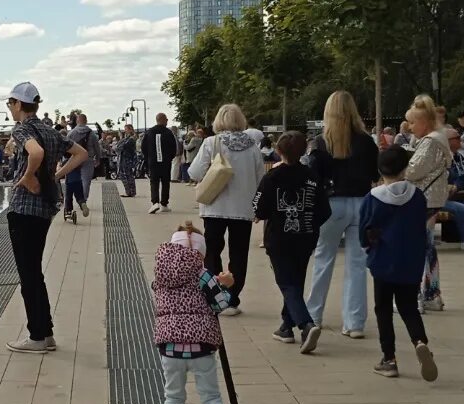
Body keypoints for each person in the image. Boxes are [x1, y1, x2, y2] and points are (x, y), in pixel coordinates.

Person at [150, 224, 240, 404]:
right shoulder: (203, 275)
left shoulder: (161, 277)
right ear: (199, 253)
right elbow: (221, 304)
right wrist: (225, 284)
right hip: (201, 346)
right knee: (211, 397)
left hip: (169, 346)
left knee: (173, 397)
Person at [5, 82, 88, 353]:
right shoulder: (50, 131)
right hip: (44, 209)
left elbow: (36, 153)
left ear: (18, 104)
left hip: (23, 209)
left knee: (28, 274)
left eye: (10, 103)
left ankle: (37, 336)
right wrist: (55, 176)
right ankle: (46, 332)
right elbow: (81, 154)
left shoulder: (22, 129)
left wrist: (28, 177)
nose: (9, 108)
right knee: (35, 271)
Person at [305, 90, 379, 337]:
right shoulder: (367, 141)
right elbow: (374, 174)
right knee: (357, 265)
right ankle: (354, 322)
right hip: (361, 203)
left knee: (323, 260)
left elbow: (312, 176)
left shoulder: (321, 142)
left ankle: (314, 316)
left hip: (331, 205)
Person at [361, 145, 438, 382]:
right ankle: (420, 341)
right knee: (408, 307)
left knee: (383, 310)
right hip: (411, 262)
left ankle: (389, 359)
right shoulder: (417, 196)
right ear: (405, 167)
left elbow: (364, 232)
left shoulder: (372, 198)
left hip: (383, 261)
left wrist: (368, 245)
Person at [253, 131, 328, 353]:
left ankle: (306, 324)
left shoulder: (272, 178)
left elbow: (258, 207)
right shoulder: (312, 177)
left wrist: (261, 214)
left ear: (278, 151)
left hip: (279, 238)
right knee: (295, 280)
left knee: (286, 282)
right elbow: (324, 209)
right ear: (305, 150)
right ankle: (287, 325)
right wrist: (311, 224)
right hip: (305, 237)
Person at [186, 105, 264, 314]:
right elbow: (260, 180)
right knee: (239, 254)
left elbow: (194, 172)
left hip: (214, 206)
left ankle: (215, 296)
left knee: (212, 252)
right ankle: (233, 297)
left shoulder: (212, 143)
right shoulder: (253, 147)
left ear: (219, 121)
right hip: (243, 209)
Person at [402, 98, 452, 311]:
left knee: (416, 249)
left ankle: (416, 296)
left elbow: (413, 170)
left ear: (424, 122)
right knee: (427, 248)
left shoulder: (430, 142)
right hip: (433, 198)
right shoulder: (440, 138)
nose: (409, 127)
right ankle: (432, 293)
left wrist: (401, 161)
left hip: (423, 199)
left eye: (412, 123)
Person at [141, 114, 179, 213]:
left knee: (154, 182)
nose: (167, 121)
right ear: (163, 120)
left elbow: (143, 147)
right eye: (166, 120)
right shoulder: (168, 132)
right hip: (165, 162)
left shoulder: (149, 132)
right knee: (165, 182)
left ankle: (155, 203)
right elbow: (173, 148)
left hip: (153, 162)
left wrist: (148, 158)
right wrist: (170, 157)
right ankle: (164, 204)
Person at [116, 123, 138, 197]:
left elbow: (119, 147)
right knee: (128, 175)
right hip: (126, 159)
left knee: (125, 175)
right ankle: (131, 192)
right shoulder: (129, 138)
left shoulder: (131, 139)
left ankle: (129, 192)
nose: (124, 131)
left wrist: (121, 137)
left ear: (130, 129)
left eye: (126, 129)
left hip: (126, 159)